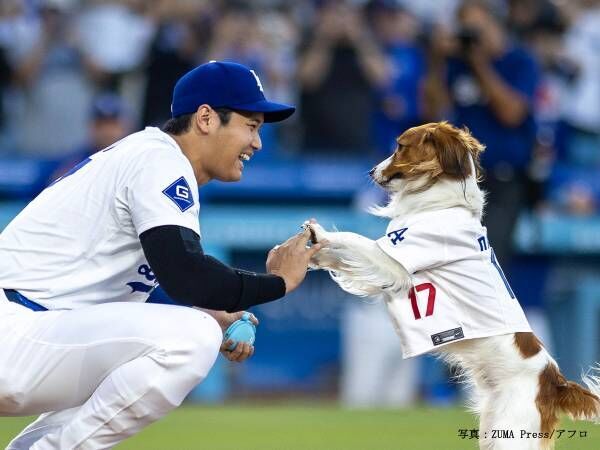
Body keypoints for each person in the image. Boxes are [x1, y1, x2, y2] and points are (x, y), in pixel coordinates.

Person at [0, 60, 323, 449]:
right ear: (205, 118)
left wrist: (211, 311)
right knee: (191, 338)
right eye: (250, 126)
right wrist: (278, 282)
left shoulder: (148, 157)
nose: (257, 142)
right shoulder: (160, 159)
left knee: (184, 333)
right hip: (17, 331)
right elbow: (186, 275)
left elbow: (144, 283)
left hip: (33, 333)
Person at [424, 0, 541, 266]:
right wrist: (435, 62)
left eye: (477, 28)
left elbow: (511, 114)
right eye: (465, 29)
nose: (472, 36)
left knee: (490, 260)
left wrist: (480, 65)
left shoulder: (519, 61)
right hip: (461, 179)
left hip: (503, 179)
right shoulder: (456, 63)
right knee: (453, 263)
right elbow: (432, 113)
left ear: (494, 24)